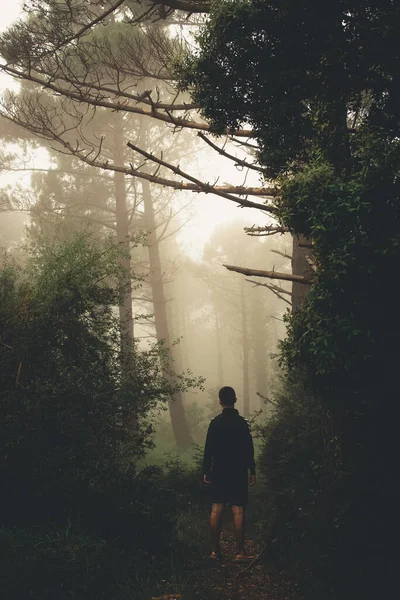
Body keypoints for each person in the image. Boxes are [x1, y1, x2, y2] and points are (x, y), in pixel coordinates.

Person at [203, 386, 256, 562]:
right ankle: (240, 553)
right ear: (235, 400)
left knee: (216, 510)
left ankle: (215, 552)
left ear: (220, 401)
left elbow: (208, 449)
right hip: (237, 471)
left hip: (219, 471)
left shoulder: (214, 423)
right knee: (238, 511)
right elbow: (249, 449)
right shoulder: (242, 423)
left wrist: (206, 470)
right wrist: (252, 470)